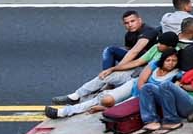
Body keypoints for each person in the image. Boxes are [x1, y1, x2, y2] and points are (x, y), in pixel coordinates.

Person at [48, 29, 176, 118]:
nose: (157, 45)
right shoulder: (155, 52)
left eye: (161, 44)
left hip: (144, 87)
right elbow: (137, 62)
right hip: (137, 78)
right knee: (106, 79)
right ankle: (74, 98)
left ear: (170, 47)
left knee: (105, 98)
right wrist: (114, 69)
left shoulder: (175, 58)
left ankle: (67, 111)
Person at [135, 49, 193, 134]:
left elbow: (185, 85)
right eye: (168, 60)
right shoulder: (155, 68)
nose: (171, 63)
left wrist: (179, 83)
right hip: (172, 105)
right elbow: (141, 83)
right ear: (163, 61)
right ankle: (152, 121)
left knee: (165, 84)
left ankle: (172, 121)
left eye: (174, 61)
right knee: (147, 87)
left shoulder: (179, 73)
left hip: (189, 105)